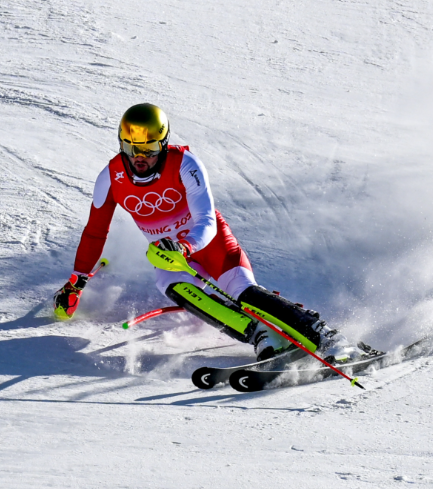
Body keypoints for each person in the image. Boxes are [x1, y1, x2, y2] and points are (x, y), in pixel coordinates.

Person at [53, 103, 367, 363]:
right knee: (176, 287)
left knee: (243, 292)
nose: (140, 158)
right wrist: (76, 281)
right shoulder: (111, 177)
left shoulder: (185, 164)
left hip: (209, 244)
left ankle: (325, 334)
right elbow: (95, 232)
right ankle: (261, 334)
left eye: (148, 148)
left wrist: (186, 246)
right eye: (131, 148)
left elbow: (206, 219)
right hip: (168, 255)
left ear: (162, 144)